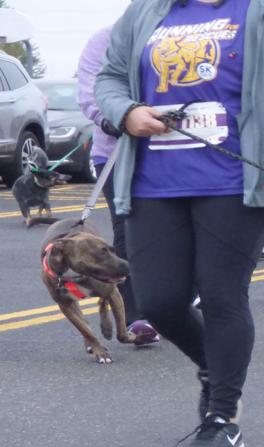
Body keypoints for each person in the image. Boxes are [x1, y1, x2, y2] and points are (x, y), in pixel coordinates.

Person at [94, 0, 264, 447]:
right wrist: (126, 111)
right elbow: (110, 76)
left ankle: (223, 416)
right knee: (159, 301)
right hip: (153, 182)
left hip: (236, 181)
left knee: (222, 294)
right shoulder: (146, 10)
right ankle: (215, 368)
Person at [76, 25, 157, 345]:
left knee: (177, 229)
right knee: (128, 229)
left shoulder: (184, 33)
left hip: (176, 153)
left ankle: (180, 292)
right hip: (117, 150)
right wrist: (115, 119)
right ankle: (136, 314)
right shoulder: (105, 40)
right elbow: (90, 91)